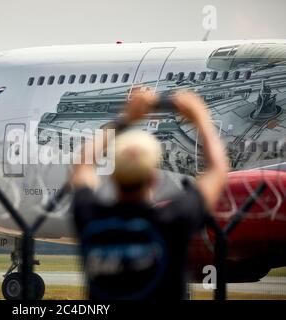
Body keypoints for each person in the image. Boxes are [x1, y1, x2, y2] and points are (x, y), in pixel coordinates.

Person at [70, 89, 229, 300]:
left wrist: (126, 118)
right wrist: (201, 118)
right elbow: (218, 169)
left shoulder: (92, 221)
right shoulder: (172, 220)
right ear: (154, 177)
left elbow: (83, 164)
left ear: (113, 176)